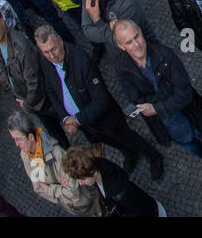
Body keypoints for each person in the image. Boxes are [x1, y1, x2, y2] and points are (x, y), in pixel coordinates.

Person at [35, 25, 165, 182]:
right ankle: (129, 153)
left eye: (53, 49)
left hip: (105, 117)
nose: (51, 56)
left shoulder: (81, 61)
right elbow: (51, 91)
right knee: (108, 140)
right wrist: (64, 118)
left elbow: (101, 99)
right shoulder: (46, 61)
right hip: (85, 122)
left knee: (127, 136)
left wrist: (76, 120)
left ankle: (153, 156)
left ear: (60, 41)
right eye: (46, 52)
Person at [111, 19, 202, 187]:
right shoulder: (122, 67)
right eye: (129, 42)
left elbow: (184, 93)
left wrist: (156, 107)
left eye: (137, 36)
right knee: (194, 148)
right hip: (168, 126)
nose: (136, 44)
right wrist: (166, 96)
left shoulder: (164, 55)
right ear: (121, 47)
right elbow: (136, 100)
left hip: (192, 114)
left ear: (141, 32)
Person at [0, 0, 69, 148]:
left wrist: (26, 104)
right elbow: (3, 68)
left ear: (2, 20)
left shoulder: (21, 47)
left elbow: (35, 83)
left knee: (67, 121)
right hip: (31, 101)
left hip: (43, 100)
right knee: (55, 132)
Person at [5, 110, 99, 216]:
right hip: (71, 207)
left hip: (86, 202)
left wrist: (49, 189)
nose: (16, 144)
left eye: (19, 139)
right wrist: (60, 189)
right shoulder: (25, 155)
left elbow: (72, 192)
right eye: (14, 139)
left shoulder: (57, 153)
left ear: (31, 137)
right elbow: (38, 187)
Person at [61, 144, 163, 217]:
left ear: (93, 172)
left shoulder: (120, 193)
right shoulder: (97, 164)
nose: (80, 183)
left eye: (82, 179)